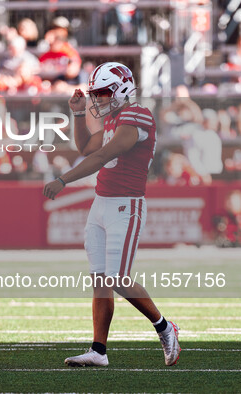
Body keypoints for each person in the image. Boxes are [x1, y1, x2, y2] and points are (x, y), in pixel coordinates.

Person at [43, 62, 180, 367]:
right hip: (101, 203)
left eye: (104, 93)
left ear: (123, 89)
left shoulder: (137, 115)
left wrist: (64, 179)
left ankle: (164, 326)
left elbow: (104, 155)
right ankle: (98, 351)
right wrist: (78, 114)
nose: (100, 100)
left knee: (118, 278)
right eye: (97, 94)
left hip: (125, 204)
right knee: (101, 281)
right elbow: (86, 147)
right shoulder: (114, 119)